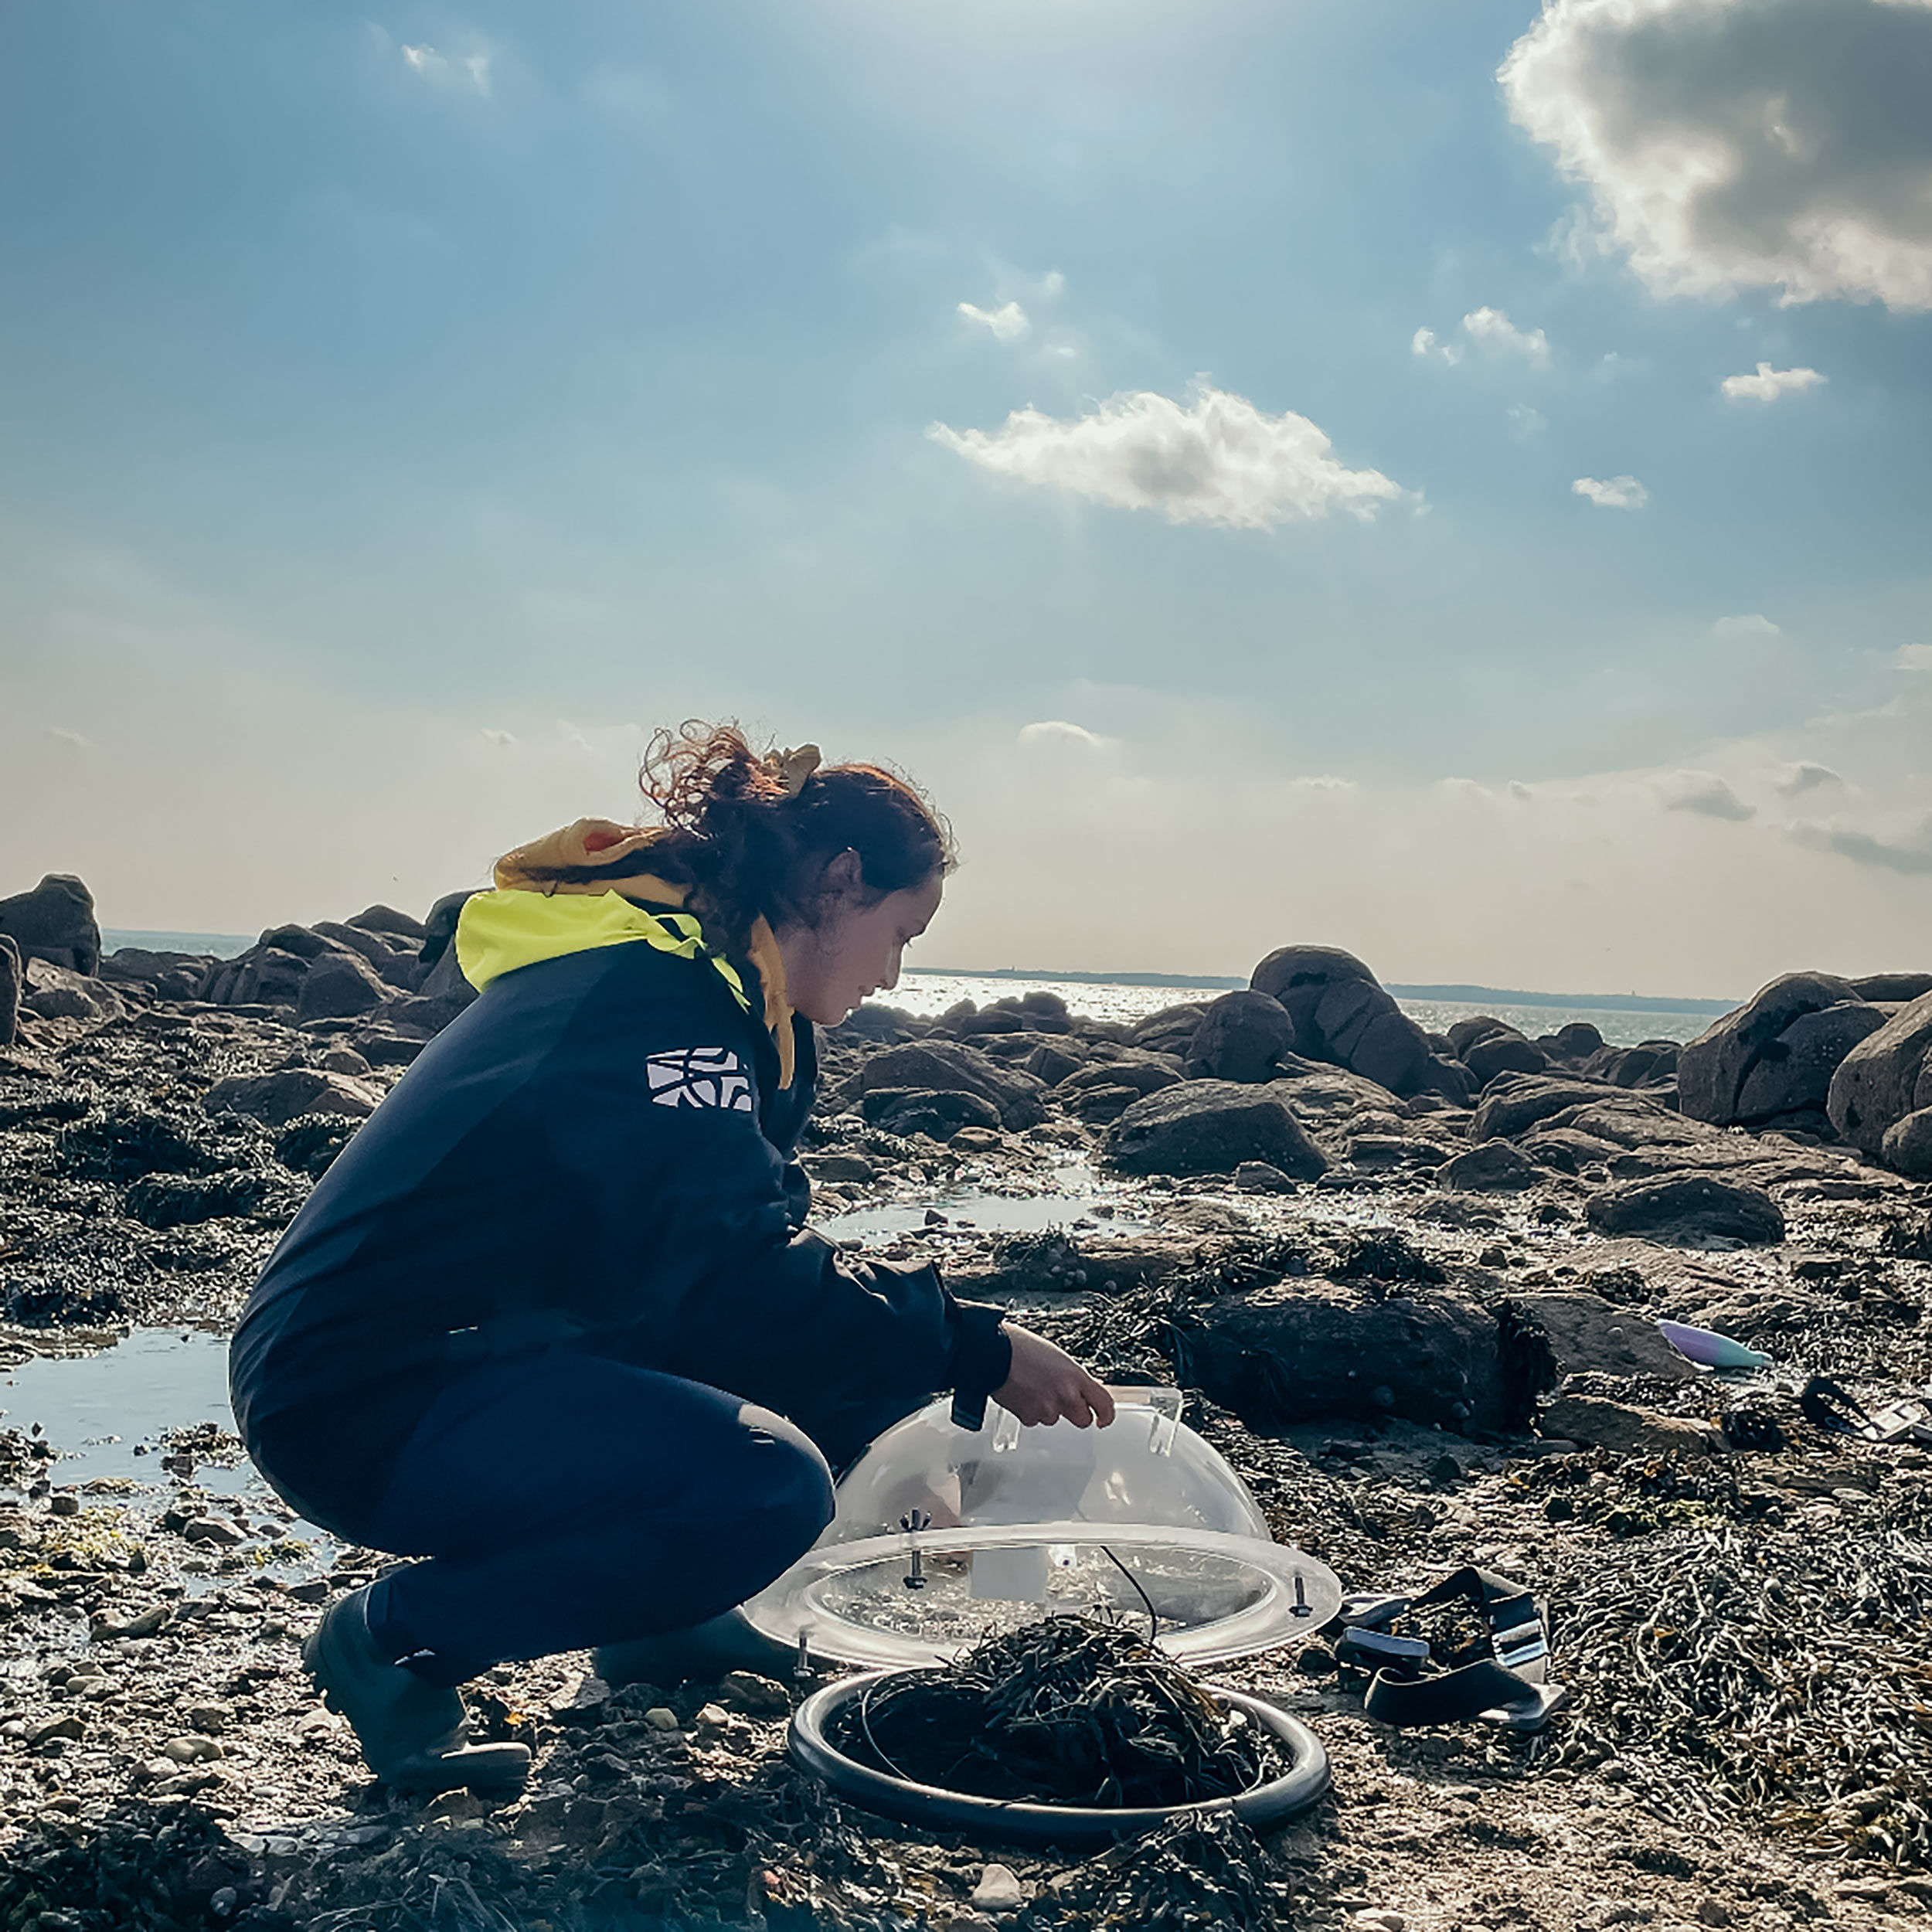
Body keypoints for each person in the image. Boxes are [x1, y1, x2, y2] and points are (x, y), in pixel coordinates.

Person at [229, 723, 1115, 1794]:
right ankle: (394, 1642)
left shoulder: (731, 999)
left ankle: (664, 1626)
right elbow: (732, 1281)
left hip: (474, 1356)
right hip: (358, 1395)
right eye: (901, 933)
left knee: (839, 1392)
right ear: (840, 882)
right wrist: (965, 1341)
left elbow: (725, 1273)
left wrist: (913, 1371)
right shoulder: (656, 1003)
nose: (893, 972)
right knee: (768, 1487)